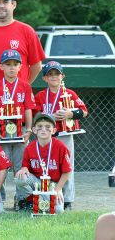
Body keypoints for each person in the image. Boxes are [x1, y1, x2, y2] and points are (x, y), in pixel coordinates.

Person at [34, 61, 88, 210]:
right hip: (46, 136)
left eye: (56, 74)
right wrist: (50, 116)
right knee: (46, 166)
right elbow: (34, 115)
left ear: (62, 76)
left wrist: (70, 113)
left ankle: (68, 200)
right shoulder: (40, 95)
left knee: (67, 166)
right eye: (50, 74)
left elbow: (84, 111)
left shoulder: (69, 93)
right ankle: (46, 195)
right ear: (44, 78)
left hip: (64, 135)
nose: (53, 77)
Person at [0, 49, 35, 204]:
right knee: (2, 166)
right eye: (8, 64)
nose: (12, 68)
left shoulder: (25, 86)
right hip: (3, 134)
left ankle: (22, 199)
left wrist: (28, 130)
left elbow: (28, 110)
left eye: (15, 64)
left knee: (20, 167)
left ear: (20, 67)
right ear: (1, 67)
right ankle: (0, 197)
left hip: (20, 133)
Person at [15, 113, 72, 213]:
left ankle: (42, 201)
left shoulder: (61, 147)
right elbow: (25, 167)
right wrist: (24, 168)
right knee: (20, 178)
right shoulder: (30, 148)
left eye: (47, 126)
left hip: (52, 184)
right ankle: (32, 200)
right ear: (34, 130)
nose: (43, 129)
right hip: (37, 182)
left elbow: (67, 171)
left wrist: (58, 189)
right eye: (40, 126)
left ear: (53, 130)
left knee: (58, 211)